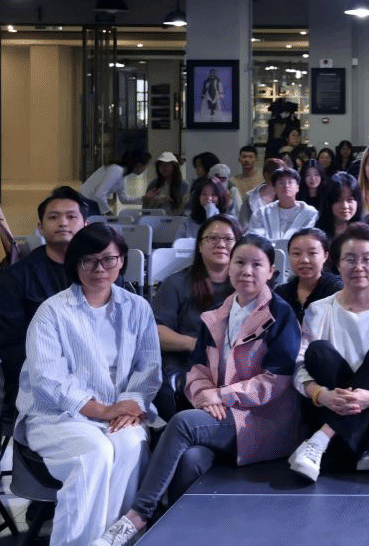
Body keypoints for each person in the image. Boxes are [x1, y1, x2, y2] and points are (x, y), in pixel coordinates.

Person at [94, 234, 300, 546]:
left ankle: (137, 516)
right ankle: (176, 536)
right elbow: (197, 370)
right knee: (191, 459)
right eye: (240, 262)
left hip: (262, 421)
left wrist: (222, 395)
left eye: (257, 264)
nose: (247, 271)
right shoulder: (216, 314)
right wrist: (205, 397)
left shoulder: (281, 315)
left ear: (271, 271)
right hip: (220, 417)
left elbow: (276, 381)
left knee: (182, 423)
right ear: (229, 267)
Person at [14, 224, 160, 546]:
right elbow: (48, 379)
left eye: (108, 259)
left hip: (120, 412)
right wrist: (103, 410)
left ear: (122, 261)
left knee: (131, 446)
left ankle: (114, 541)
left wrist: (130, 407)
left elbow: (148, 369)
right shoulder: (52, 312)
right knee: (93, 454)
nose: (99, 269)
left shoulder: (138, 308)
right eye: (88, 260)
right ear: (75, 264)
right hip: (57, 415)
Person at [287, 223, 369, 480]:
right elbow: (300, 366)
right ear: (337, 264)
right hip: (329, 403)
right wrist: (322, 395)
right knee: (318, 351)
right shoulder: (318, 310)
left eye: (367, 259)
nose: (359, 267)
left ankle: (322, 439)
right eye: (350, 259)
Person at [0, 186, 91, 409]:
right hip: (36, 380)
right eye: (53, 217)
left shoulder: (101, 273)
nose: (63, 223)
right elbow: (8, 342)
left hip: (93, 376)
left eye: (71, 217)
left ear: (85, 225)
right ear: (40, 227)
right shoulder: (17, 276)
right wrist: (50, 374)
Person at [152, 214, 240, 418]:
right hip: (186, 363)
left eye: (228, 239)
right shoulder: (176, 283)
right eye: (212, 238)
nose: (220, 244)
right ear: (200, 245)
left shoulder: (248, 285)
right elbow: (156, 332)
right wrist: (196, 344)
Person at [276, 228, 343, 322]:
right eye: (296, 253)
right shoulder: (281, 294)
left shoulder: (338, 291)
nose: (304, 260)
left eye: (312, 253)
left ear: (325, 256)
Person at [248, 167, 319, 240]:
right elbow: (255, 239)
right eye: (281, 183)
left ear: (297, 187)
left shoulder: (309, 213)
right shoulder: (261, 214)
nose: (286, 186)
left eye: (290, 182)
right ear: (274, 188)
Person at [80, 149, 151, 215]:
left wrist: (144, 199)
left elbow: (123, 199)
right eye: (146, 165)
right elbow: (100, 194)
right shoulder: (116, 170)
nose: (145, 168)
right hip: (86, 203)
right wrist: (108, 213)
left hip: (92, 204)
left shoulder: (122, 173)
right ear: (138, 164)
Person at [317, 171, 362, 242]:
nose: (345, 206)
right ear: (329, 202)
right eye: (338, 200)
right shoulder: (318, 235)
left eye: (350, 200)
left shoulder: (364, 233)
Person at [241, 158, 286, 224]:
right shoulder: (249, 197)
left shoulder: (287, 195)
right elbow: (243, 224)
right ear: (266, 174)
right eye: (277, 175)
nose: (281, 179)